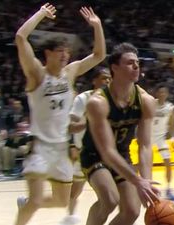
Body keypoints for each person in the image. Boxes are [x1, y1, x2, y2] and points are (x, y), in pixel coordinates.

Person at [14, 3, 106, 225]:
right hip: (40, 145)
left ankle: (26, 202)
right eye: (60, 51)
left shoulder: (70, 72)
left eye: (67, 51)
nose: (66, 55)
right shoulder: (36, 73)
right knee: (36, 201)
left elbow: (99, 55)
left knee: (61, 201)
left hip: (62, 147)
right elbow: (20, 37)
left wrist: (97, 26)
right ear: (48, 53)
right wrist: (41, 14)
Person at [81, 43, 160, 225]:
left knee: (132, 211)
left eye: (138, 63)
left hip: (123, 156)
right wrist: (136, 181)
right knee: (110, 199)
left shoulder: (146, 101)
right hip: (95, 156)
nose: (136, 66)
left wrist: (146, 182)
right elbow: (107, 152)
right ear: (114, 68)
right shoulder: (98, 102)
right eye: (130, 63)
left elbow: (145, 145)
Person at [59, 68, 111, 225]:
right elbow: (70, 125)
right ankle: (70, 218)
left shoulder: (112, 100)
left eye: (109, 78)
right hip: (83, 152)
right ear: (94, 80)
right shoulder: (83, 99)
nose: (108, 81)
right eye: (104, 78)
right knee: (76, 191)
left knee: (107, 194)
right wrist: (73, 144)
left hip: (103, 154)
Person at [151, 85, 174, 201]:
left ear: (167, 94)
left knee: (168, 163)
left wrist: (173, 137)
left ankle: (169, 189)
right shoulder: (151, 103)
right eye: (160, 92)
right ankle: (145, 188)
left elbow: (172, 124)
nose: (162, 94)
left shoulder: (170, 107)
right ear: (157, 93)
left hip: (161, 137)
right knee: (145, 163)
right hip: (149, 136)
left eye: (164, 92)